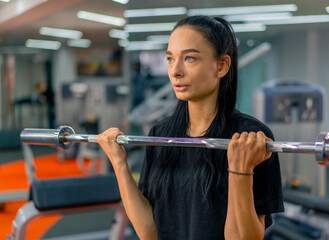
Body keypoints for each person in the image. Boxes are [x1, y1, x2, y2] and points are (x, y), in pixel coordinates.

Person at [97, 15, 284, 240]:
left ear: (222, 66)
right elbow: (149, 232)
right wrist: (118, 162)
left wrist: (240, 170)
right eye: (170, 59)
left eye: (190, 59)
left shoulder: (250, 139)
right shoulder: (161, 135)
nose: (175, 71)